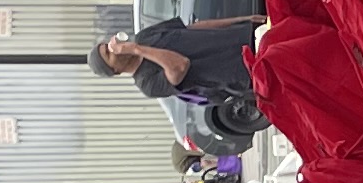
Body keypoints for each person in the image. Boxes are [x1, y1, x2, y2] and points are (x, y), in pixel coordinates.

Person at [95, 16, 266, 111]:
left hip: (246, 36)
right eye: (109, 54)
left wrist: (244, 20)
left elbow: (194, 28)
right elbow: (180, 65)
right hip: (247, 69)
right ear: (115, 70)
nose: (114, 49)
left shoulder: (145, 36)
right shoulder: (147, 83)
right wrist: (137, 50)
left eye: (109, 47)